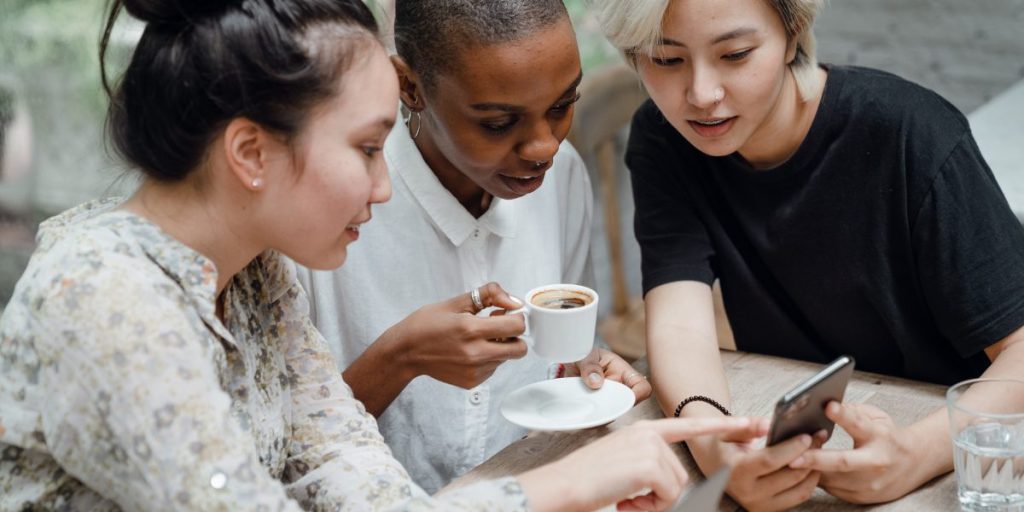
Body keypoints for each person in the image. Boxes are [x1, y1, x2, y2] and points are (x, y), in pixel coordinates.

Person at [0, 0, 765, 510]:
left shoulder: (258, 275)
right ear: (250, 152)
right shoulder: (104, 296)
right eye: (369, 148)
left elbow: (349, 474)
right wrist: (555, 489)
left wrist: (590, 471)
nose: (386, 185)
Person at [589, 0, 1024, 509]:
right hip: (797, 427)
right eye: (666, 60)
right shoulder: (665, 138)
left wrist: (914, 455)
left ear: (793, 34)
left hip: (967, 452)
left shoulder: (911, 132)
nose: (702, 95)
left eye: (735, 54)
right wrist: (715, 447)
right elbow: (679, 323)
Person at [296, 0, 651, 493]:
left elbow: (554, 364)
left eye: (561, 106)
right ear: (409, 87)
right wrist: (400, 358)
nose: (543, 147)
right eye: (499, 123)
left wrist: (583, 366)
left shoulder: (562, 176)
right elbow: (281, 451)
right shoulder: (328, 213)